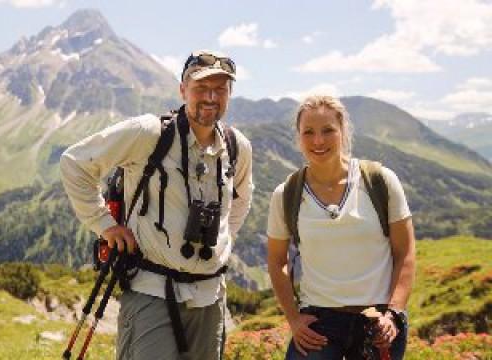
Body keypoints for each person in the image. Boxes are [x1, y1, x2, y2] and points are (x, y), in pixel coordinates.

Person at [61, 49, 254, 360]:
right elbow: (75, 162)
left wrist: (224, 241)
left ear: (230, 93)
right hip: (152, 294)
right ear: (182, 90)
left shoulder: (236, 147)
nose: (211, 96)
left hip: (210, 297)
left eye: (220, 88)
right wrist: (104, 224)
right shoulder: (149, 133)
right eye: (201, 87)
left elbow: (241, 199)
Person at [266, 95, 415, 359]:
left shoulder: (380, 181)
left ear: (343, 131)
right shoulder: (286, 193)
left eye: (328, 131)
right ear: (298, 137)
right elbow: (277, 261)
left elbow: (405, 252)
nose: (318, 141)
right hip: (319, 322)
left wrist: (393, 313)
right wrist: (293, 318)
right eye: (308, 132)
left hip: (379, 321)